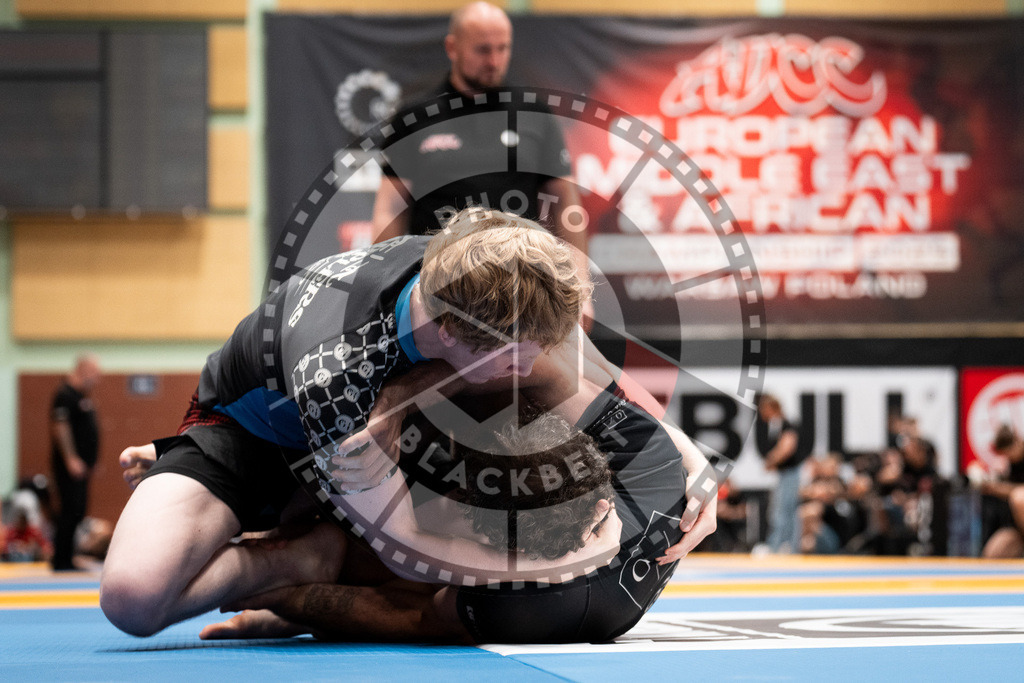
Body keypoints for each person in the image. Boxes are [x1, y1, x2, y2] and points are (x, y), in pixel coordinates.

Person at [101, 208, 715, 639]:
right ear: (448, 335)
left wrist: (687, 455)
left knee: (537, 396)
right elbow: (406, 546)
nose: (535, 363)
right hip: (254, 434)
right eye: (517, 352)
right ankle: (286, 556)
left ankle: (304, 528)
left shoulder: (481, 266)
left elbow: (582, 361)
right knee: (134, 599)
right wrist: (554, 568)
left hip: (376, 413)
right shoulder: (337, 377)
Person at [371, 1, 591, 320]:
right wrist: (384, 286)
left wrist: (580, 286)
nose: (494, 60)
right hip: (436, 286)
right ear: (453, 47)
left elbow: (567, 205)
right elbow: (389, 209)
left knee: (556, 369)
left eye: (502, 49)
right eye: (482, 50)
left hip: (519, 283)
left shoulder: (534, 116)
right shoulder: (414, 118)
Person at [50, 354, 101, 571]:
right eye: (95, 374)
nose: (97, 379)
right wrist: (71, 458)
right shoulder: (65, 394)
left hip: (82, 467)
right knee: (69, 510)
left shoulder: (81, 396)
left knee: (78, 510)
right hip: (69, 467)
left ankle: (67, 556)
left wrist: (91, 461)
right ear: (84, 370)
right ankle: (61, 559)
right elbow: (61, 428)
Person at [754, 393, 804, 554]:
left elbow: (787, 448)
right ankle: (784, 544)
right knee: (782, 509)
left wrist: (771, 461)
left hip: (789, 474)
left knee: (783, 510)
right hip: (785, 474)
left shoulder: (786, 425)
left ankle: (779, 545)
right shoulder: (777, 425)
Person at [978, 425, 1024, 558]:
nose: (1008, 457)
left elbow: (1018, 493)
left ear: (1016, 443)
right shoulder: (1011, 465)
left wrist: (999, 489)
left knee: (1019, 498)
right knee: (992, 553)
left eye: (1008, 453)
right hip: (1018, 530)